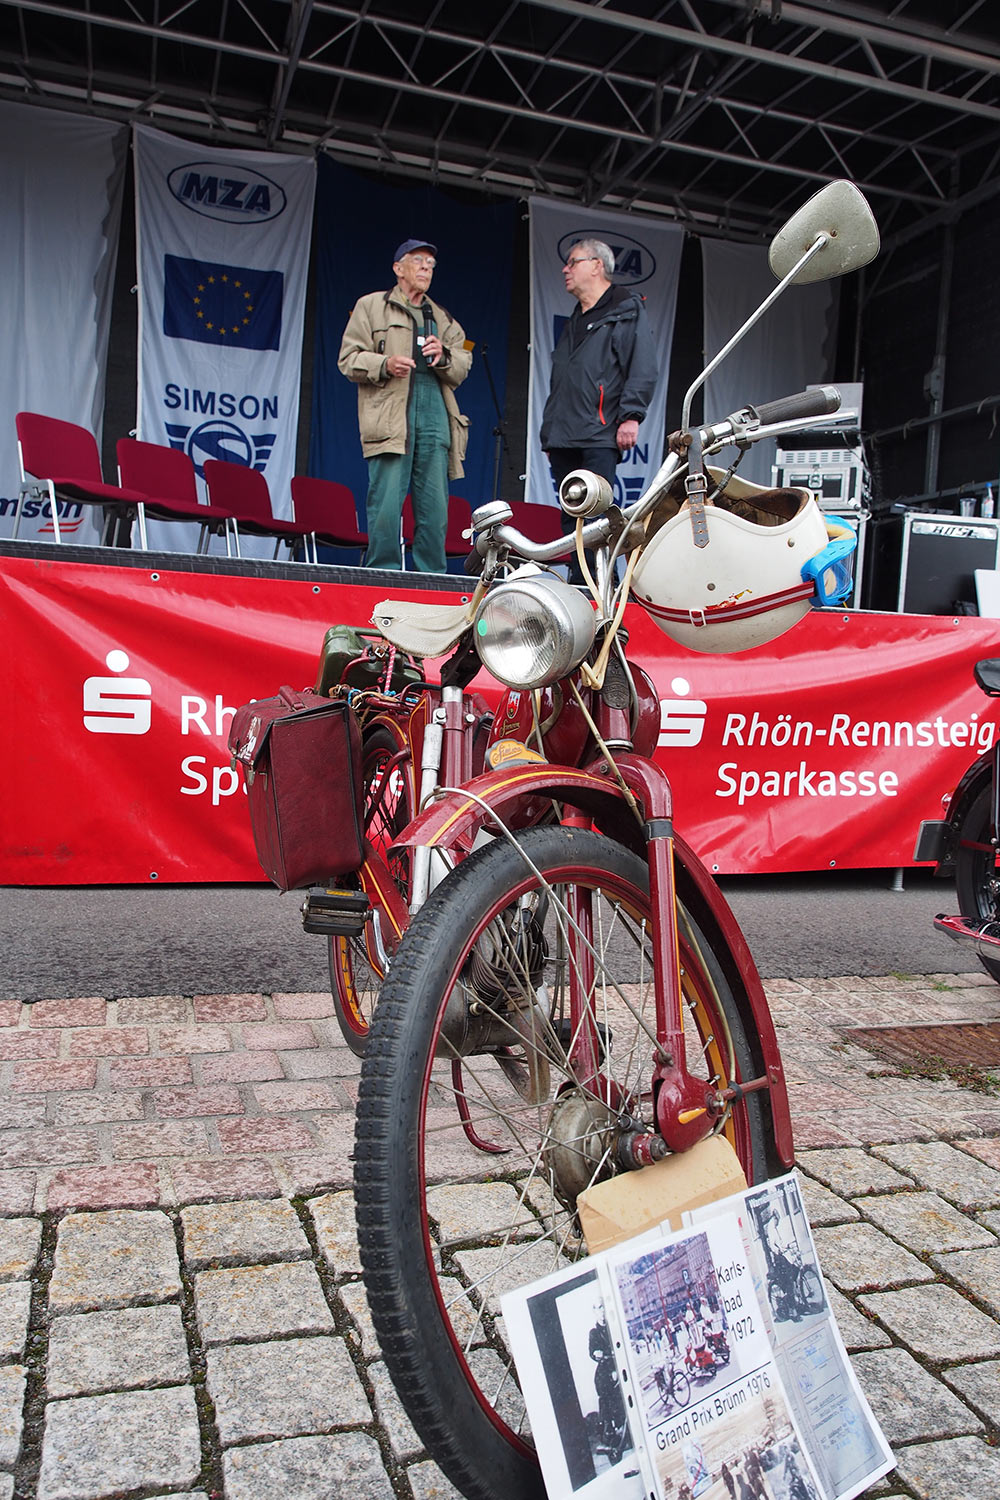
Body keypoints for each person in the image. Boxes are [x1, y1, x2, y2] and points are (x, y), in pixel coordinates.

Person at [338, 238, 472, 573]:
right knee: (385, 503)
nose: (426, 268)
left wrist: (445, 356)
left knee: (435, 506)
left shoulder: (441, 316)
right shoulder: (370, 306)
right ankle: (382, 572)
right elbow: (348, 359)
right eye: (418, 261)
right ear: (398, 268)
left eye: (431, 264)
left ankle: (431, 576)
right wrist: (384, 364)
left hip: (434, 413)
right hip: (391, 414)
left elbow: (464, 362)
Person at [539, 237, 657, 571]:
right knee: (570, 516)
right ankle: (581, 586)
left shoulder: (626, 310)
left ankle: (604, 591)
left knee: (596, 518)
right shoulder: (576, 318)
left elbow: (643, 366)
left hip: (599, 432)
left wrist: (631, 416)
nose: (565, 269)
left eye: (572, 262)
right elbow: (562, 379)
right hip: (564, 436)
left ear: (596, 265)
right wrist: (551, 432)